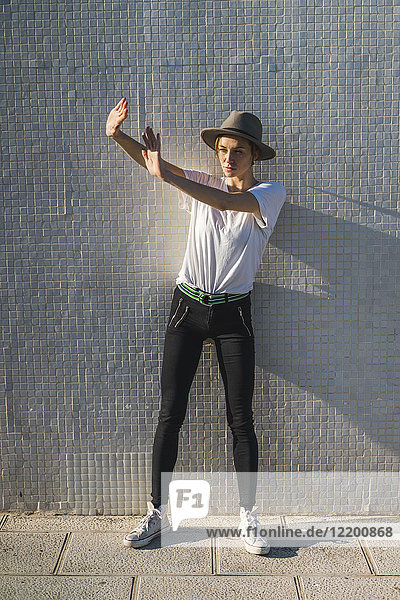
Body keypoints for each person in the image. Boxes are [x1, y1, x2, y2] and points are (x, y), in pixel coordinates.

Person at [106, 98, 286, 554]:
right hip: (187, 308)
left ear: (253, 156)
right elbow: (157, 164)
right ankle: (156, 514)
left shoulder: (268, 195)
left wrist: (166, 176)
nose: (227, 159)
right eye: (222, 150)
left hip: (233, 316)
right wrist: (117, 137)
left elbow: (226, 201)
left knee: (241, 417)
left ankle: (249, 519)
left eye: (237, 152)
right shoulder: (203, 183)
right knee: (171, 412)